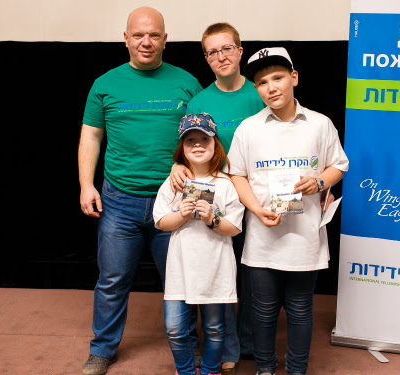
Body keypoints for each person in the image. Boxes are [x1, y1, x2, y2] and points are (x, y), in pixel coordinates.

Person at [77, 7, 202, 375]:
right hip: (119, 200)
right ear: (126, 38)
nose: (146, 42)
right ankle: (102, 350)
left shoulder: (187, 82)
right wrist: (86, 184)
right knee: (113, 280)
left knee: (181, 282)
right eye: (138, 35)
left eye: (154, 35)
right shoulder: (105, 84)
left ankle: (189, 347)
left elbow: (202, 139)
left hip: (175, 201)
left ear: (165, 39)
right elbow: (91, 135)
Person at [227, 47, 349, 375]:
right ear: (256, 88)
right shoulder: (248, 129)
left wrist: (319, 182)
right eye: (262, 82)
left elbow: (339, 165)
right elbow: (236, 173)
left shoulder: (319, 124)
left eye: (278, 77)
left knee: (299, 310)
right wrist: (255, 209)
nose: (272, 87)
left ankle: (297, 369)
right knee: (262, 312)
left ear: (294, 78)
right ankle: (265, 368)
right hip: (263, 239)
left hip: (304, 238)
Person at [169, 22, 263, 374]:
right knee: (222, 273)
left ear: (240, 51)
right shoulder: (199, 101)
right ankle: (228, 346)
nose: (221, 56)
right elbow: (189, 147)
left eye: (227, 48)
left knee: (252, 275)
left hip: (256, 197)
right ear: (206, 58)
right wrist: (175, 168)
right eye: (212, 51)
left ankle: (252, 342)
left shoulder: (260, 93)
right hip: (217, 197)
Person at [154, 113, 245, 375]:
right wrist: (181, 214)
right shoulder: (175, 183)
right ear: (181, 147)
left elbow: (235, 227)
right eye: (190, 140)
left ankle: (210, 370)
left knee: (215, 328)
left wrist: (212, 219)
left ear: (215, 144)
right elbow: (161, 221)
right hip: (180, 271)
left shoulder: (225, 184)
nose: (197, 144)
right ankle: (185, 370)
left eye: (204, 139)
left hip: (215, 269)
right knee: (174, 328)